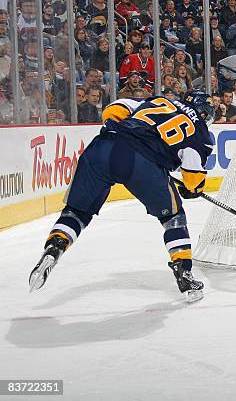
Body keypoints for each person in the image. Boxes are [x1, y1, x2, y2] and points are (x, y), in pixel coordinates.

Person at [29, 92, 216, 302]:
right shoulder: (202, 134)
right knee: (173, 217)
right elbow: (193, 177)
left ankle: (56, 246)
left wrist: (118, 130)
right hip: (141, 163)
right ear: (205, 113)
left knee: (77, 211)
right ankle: (184, 272)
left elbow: (115, 109)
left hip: (103, 146)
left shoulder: (160, 101)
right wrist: (192, 189)